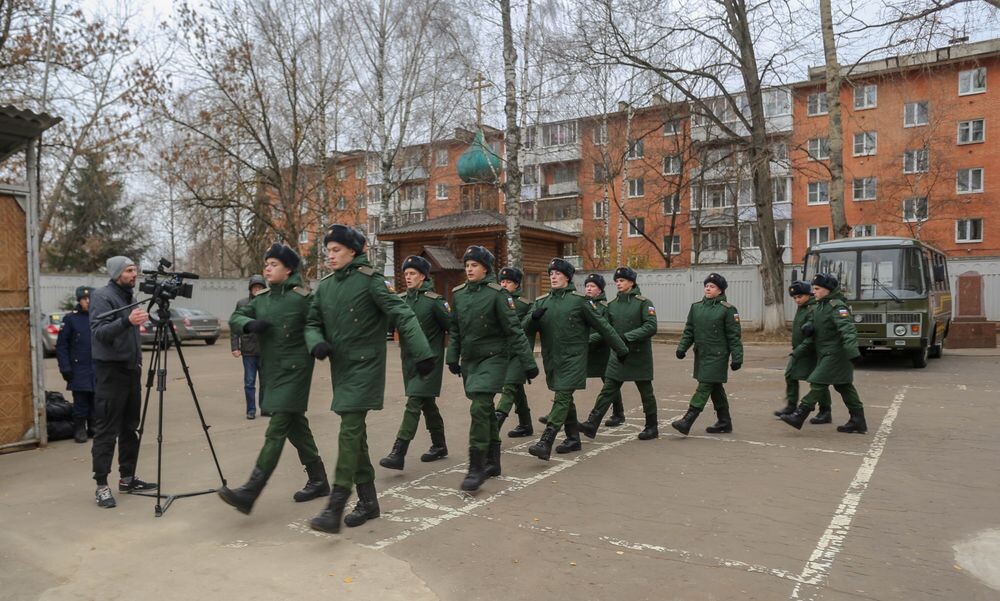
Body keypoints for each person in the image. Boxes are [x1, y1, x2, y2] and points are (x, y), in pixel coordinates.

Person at [306, 225, 436, 533]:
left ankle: (335, 504)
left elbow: (402, 314)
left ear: (353, 250)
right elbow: (311, 321)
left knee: (349, 430)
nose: (330, 255)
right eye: (328, 250)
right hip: (341, 370)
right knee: (356, 435)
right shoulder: (324, 287)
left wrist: (423, 353)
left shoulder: (370, 281)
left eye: (336, 249)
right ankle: (368, 502)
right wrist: (316, 342)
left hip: (366, 368)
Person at [219, 244, 330, 514]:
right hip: (272, 372)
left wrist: (317, 344)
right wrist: (248, 324)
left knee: (277, 427)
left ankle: (250, 491)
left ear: (289, 269)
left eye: (274, 264)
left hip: (296, 371)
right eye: (266, 264)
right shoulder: (262, 299)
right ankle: (318, 480)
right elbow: (236, 316)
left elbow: (315, 325)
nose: (267, 268)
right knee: (296, 427)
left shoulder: (303, 298)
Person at [446, 247, 538, 492]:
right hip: (470, 361)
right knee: (484, 409)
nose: (469, 269)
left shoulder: (498, 295)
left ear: (485, 268)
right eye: (467, 265)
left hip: (494, 358)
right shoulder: (460, 294)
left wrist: (528, 363)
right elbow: (455, 330)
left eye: (474, 265)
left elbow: (514, 331)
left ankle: (476, 467)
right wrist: (452, 357)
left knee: (479, 406)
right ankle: (494, 462)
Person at [522, 258, 628, 460]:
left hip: (574, 359)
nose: (553, 276)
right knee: (565, 398)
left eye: (558, 273)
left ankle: (546, 441)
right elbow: (522, 330)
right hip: (552, 360)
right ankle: (573, 439)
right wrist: (532, 318)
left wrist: (621, 350)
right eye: (551, 274)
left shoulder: (580, 302)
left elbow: (604, 327)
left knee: (562, 397)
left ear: (568, 277)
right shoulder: (542, 302)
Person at [88, 256, 157, 508]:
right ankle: (101, 485)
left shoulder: (129, 297)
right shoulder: (102, 296)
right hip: (110, 372)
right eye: (129, 271)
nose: (134, 275)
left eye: (135, 270)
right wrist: (127, 321)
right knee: (107, 429)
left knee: (130, 427)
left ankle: (127, 477)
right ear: (117, 273)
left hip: (131, 370)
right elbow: (99, 332)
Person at [379, 255, 451, 471]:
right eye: (406, 274)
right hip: (408, 363)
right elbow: (388, 326)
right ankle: (439, 445)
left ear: (423, 276)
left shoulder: (435, 302)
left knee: (414, 403)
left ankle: (398, 451)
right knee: (426, 403)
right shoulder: (401, 300)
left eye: (412, 274)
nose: (408, 277)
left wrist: (456, 356)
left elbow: (453, 327)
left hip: (430, 362)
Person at [578, 267, 659, 440]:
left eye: (622, 280)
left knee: (646, 392)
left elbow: (651, 326)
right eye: (617, 281)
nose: (618, 284)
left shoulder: (644, 302)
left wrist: (627, 337)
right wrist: (585, 343)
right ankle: (592, 423)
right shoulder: (612, 305)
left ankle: (652, 426)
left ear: (631, 282)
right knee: (608, 389)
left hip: (639, 355)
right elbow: (604, 329)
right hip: (618, 355)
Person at [780, 274, 867, 433]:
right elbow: (813, 323)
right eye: (813, 289)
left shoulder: (837, 306)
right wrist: (808, 326)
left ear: (828, 290)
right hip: (825, 353)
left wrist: (853, 352)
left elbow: (848, 330)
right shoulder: (820, 306)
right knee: (844, 386)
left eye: (817, 289)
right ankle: (858, 420)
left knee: (818, 382)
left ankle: (800, 414)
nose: (814, 292)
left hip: (836, 354)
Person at [672, 273, 744, 436]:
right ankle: (724, 422)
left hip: (718, 355)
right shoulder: (696, 307)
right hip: (702, 354)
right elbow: (689, 330)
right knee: (715, 388)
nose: (708, 288)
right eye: (706, 285)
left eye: (712, 286)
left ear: (720, 291)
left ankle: (687, 420)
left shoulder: (727, 309)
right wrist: (682, 347)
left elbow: (734, 335)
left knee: (704, 386)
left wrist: (737, 357)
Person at [774, 281, 832, 422]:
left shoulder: (813, 307)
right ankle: (791, 406)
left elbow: (813, 333)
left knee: (817, 382)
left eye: (800, 297)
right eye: (794, 298)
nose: (797, 300)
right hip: (800, 350)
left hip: (811, 352)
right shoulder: (803, 307)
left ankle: (825, 411)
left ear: (808, 294)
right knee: (790, 375)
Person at [494, 266, 535, 438]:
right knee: (516, 387)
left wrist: (533, 317)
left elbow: (522, 327)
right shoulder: (495, 302)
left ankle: (495, 423)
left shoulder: (525, 305)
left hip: (519, 352)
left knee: (509, 386)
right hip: (503, 352)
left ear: (517, 285)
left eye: (508, 282)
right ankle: (525, 425)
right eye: (502, 281)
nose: (504, 285)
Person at [583, 273, 626, 427]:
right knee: (570, 380)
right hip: (586, 350)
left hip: (602, 351)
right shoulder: (583, 304)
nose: (588, 288)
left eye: (592, 286)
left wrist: (586, 342)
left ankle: (618, 413)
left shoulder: (605, 307)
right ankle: (559, 410)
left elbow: (606, 331)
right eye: (587, 285)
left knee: (609, 382)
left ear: (600, 290)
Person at [56, 286, 95, 443]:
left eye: (90, 298)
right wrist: (65, 368)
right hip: (79, 368)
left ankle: (94, 427)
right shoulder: (71, 319)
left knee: (96, 399)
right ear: (79, 300)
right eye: (85, 299)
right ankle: (79, 428)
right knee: (80, 401)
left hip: (96, 367)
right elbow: (62, 346)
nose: (88, 301)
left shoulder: (99, 317)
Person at [231, 274, 267, 420]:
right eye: (255, 287)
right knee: (249, 381)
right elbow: (235, 326)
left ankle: (265, 408)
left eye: (260, 287)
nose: (257, 290)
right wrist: (235, 347)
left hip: (265, 350)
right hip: (248, 350)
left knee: (266, 381)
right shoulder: (242, 304)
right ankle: (251, 410)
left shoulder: (269, 303)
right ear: (250, 289)